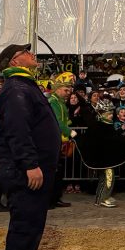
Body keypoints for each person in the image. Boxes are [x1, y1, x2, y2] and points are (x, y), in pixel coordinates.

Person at [0, 43, 59, 250]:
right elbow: (18, 131)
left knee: (27, 222)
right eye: (26, 53)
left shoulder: (23, 86)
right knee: (26, 225)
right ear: (14, 61)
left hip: (31, 167)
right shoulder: (17, 89)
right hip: (26, 170)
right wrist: (30, 164)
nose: (33, 55)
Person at [73, 97, 125, 208]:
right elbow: (91, 139)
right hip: (104, 160)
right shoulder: (99, 126)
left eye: (111, 113)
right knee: (108, 178)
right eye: (108, 113)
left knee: (106, 178)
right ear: (102, 114)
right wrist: (76, 137)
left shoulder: (107, 125)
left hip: (107, 159)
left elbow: (113, 139)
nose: (111, 115)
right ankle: (102, 198)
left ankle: (101, 197)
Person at [47, 73, 75, 210]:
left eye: (70, 90)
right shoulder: (53, 102)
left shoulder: (60, 102)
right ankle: (50, 200)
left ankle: (56, 198)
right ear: (57, 88)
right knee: (53, 172)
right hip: (52, 140)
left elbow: (65, 120)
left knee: (58, 172)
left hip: (59, 141)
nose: (68, 93)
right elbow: (57, 122)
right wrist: (70, 132)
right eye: (66, 90)